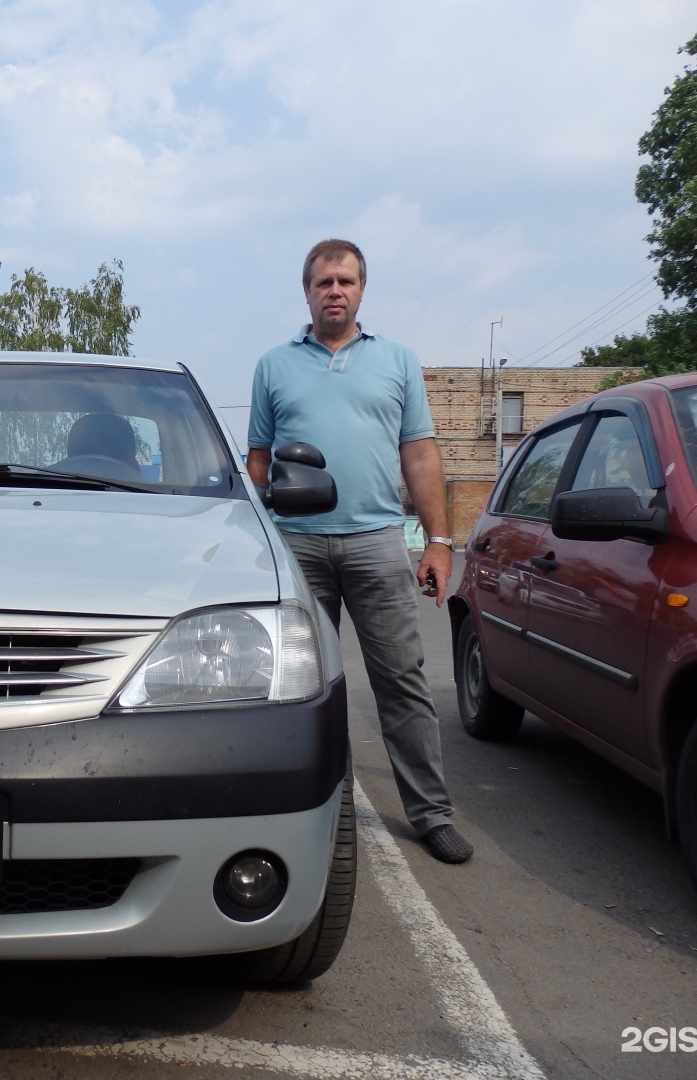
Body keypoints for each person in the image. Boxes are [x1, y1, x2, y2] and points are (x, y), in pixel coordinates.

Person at [246, 239, 472, 864]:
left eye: (346, 281)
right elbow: (258, 459)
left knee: (402, 680)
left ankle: (430, 813)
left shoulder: (397, 361)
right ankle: (295, 812)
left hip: (377, 541)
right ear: (308, 291)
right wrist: (265, 527)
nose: (335, 291)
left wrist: (439, 541)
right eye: (324, 282)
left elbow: (420, 453)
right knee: (296, 687)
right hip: (298, 546)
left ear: (362, 290)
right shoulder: (273, 365)